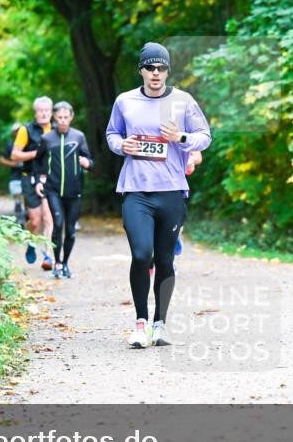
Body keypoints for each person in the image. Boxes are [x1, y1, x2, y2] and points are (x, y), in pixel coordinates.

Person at [106, 42, 212, 348]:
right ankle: (140, 323)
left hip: (171, 191)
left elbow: (204, 137)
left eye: (161, 67)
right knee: (142, 254)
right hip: (136, 190)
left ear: (167, 71)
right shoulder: (125, 101)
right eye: (150, 67)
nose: (156, 73)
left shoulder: (181, 101)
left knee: (165, 260)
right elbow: (112, 133)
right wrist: (120, 145)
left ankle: (160, 324)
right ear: (141, 70)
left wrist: (179, 137)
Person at [34, 101, 93, 279]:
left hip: (74, 191)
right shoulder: (47, 139)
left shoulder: (79, 137)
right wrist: (38, 181)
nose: (62, 121)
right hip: (53, 190)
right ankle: (57, 263)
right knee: (58, 224)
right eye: (59, 117)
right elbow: (38, 162)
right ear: (54, 117)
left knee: (71, 229)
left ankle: (66, 263)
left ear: (71, 117)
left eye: (66, 117)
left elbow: (90, 160)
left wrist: (87, 163)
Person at [11, 96, 55, 269]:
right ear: (35, 113)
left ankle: (48, 257)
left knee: (48, 218)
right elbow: (15, 155)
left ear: (51, 112)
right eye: (40, 110)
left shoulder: (57, 129)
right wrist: (37, 153)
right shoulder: (26, 130)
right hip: (29, 177)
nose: (44, 113)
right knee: (35, 221)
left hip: (50, 178)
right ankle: (31, 241)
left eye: (47, 110)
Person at [0, 123, 27, 225]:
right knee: (17, 195)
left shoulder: (29, 143)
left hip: (27, 175)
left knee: (26, 199)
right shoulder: (10, 144)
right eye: (17, 131)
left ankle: (25, 217)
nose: (19, 132)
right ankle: (20, 217)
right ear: (13, 133)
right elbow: (1, 159)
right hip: (15, 176)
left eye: (20, 130)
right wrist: (13, 164)